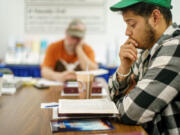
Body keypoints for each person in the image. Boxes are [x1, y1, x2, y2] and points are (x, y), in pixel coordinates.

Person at [108, 0, 180, 135]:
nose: (127, 32)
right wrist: (124, 67)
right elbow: (111, 95)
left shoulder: (175, 47)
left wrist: (127, 96)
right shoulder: (147, 51)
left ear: (155, 17)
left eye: (132, 24)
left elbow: (130, 112)